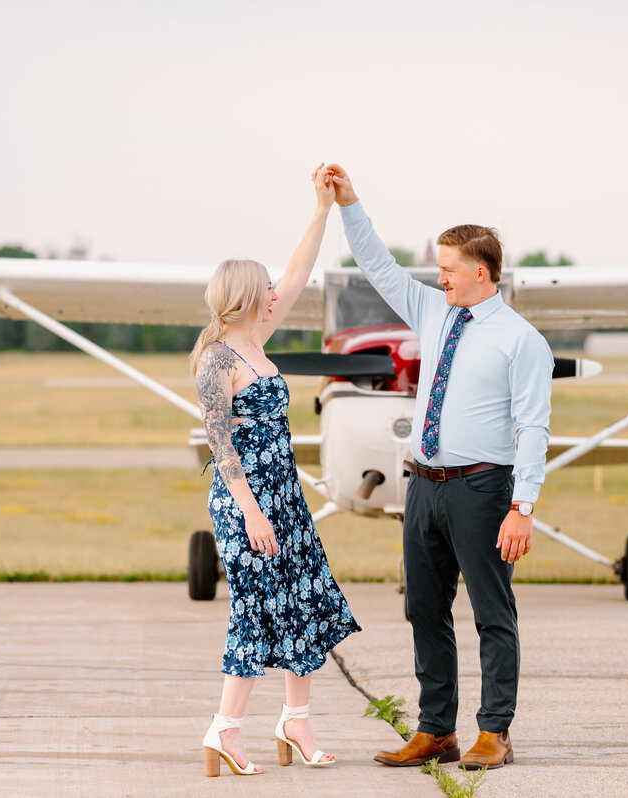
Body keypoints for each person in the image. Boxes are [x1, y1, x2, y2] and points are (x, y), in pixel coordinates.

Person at [329, 164, 552, 771]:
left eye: (449, 268)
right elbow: (378, 266)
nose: (440, 276)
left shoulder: (521, 339)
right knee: (423, 609)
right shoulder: (433, 310)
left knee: (491, 612)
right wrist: (351, 204)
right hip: (422, 484)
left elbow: (534, 428)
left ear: (481, 272)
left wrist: (522, 506)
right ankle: (436, 731)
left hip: (482, 489)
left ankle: (494, 732)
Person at [191, 164, 361, 777]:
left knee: (302, 599)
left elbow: (298, 273)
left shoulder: (257, 338)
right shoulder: (218, 359)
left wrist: (322, 210)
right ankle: (224, 730)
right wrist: (253, 512)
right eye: (262, 286)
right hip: (246, 500)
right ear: (240, 295)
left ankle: (295, 720)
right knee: (257, 606)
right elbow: (221, 445)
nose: (274, 291)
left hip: (283, 492)